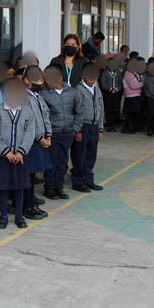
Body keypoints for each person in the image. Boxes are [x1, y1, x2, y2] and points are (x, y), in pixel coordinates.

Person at [0, 80, 34, 229]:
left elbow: (30, 133)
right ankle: (3, 216)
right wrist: (5, 151)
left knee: (20, 187)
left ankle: (19, 216)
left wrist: (21, 151)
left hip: (21, 158)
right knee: (3, 187)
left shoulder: (27, 111)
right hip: (4, 157)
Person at [41, 63, 82, 200]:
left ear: (59, 78)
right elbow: (42, 116)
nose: (47, 81)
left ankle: (59, 186)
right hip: (52, 134)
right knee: (51, 161)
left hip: (67, 133)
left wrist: (75, 130)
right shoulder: (44, 95)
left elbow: (78, 112)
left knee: (62, 162)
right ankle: (49, 187)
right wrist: (46, 133)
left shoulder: (72, 93)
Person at [22, 66, 52, 220]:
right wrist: (40, 138)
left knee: (33, 175)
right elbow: (29, 121)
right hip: (31, 142)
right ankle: (27, 207)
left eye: (40, 77)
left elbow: (45, 116)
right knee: (28, 175)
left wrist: (48, 135)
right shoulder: (24, 98)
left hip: (41, 140)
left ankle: (31, 202)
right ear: (26, 80)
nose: (39, 81)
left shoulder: (38, 96)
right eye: (35, 77)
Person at [71, 63, 104, 193]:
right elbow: (76, 111)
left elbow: (101, 109)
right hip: (83, 126)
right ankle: (78, 181)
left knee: (91, 154)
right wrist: (77, 130)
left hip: (94, 126)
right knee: (80, 154)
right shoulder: (78, 91)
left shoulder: (97, 89)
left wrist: (100, 128)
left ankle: (88, 180)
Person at [121, 55, 144, 133]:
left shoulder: (134, 73)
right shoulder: (128, 74)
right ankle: (126, 128)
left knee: (134, 113)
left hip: (136, 95)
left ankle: (132, 127)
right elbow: (133, 86)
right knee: (129, 114)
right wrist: (142, 84)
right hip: (131, 96)